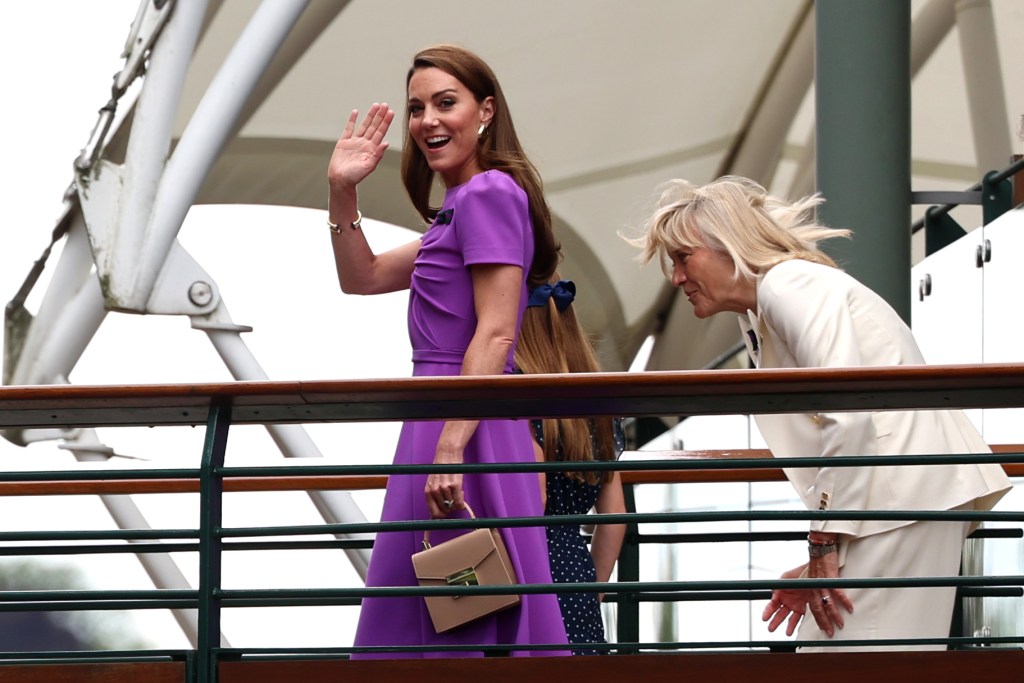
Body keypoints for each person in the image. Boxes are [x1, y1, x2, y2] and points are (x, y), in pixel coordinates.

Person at [629, 175, 1012, 651]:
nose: (677, 278)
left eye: (683, 258)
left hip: (905, 497)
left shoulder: (789, 284)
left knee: (852, 662)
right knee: (848, 658)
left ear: (728, 243)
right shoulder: (771, 304)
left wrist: (824, 545)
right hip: (901, 500)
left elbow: (847, 412)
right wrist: (823, 553)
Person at [326, 44, 568, 658]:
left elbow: (495, 332)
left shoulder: (487, 193)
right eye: (416, 107)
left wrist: (452, 445)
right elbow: (363, 276)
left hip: (464, 422)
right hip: (448, 417)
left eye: (445, 102)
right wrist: (341, 190)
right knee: (453, 611)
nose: (428, 119)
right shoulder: (459, 207)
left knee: (461, 620)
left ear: (485, 111)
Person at [514, 277, 627, 655]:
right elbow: (614, 519)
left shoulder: (519, 403)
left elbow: (532, 501)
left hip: (524, 567)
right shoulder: (596, 409)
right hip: (575, 569)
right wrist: (588, 588)